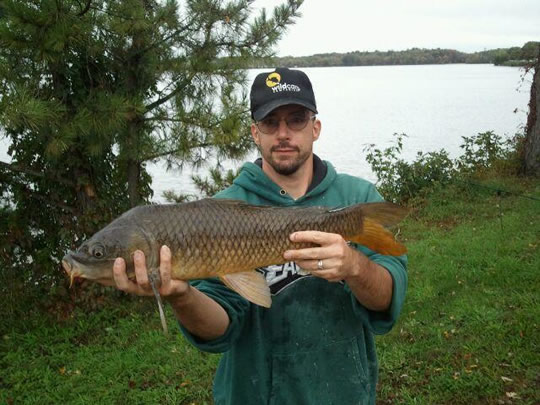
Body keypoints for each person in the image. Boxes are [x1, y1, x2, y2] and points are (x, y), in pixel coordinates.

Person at [112, 67, 407, 404]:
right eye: (270, 122)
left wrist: (355, 266)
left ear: (316, 128)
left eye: (296, 119)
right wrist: (181, 295)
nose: (283, 133)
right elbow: (220, 328)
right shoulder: (218, 213)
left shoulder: (357, 199)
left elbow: (387, 301)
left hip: (343, 393)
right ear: (255, 132)